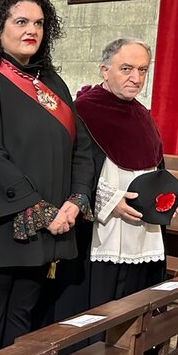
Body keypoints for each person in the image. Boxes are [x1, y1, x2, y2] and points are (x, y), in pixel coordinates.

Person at [0, 0, 94, 355]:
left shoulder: (52, 81)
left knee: (20, 331)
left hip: (46, 236)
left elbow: (82, 148)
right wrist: (43, 211)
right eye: (21, 22)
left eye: (39, 23)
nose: (31, 30)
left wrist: (75, 201)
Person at [54, 39, 166, 317]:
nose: (136, 78)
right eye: (126, 68)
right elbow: (67, 169)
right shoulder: (82, 111)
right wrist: (108, 200)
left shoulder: (143, 115)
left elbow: (156, 167)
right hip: (97, 230)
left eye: (142, 70)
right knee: (95, 306)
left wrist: (167, 196)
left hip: (140, 229)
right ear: (104, 70)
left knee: (133, 302)